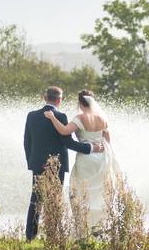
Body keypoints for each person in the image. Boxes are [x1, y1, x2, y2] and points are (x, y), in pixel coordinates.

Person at [24, 86, 104, 240]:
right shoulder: (60, 116)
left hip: (37, 164)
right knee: (54, 200)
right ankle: (52, 236)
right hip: (56, 166)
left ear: (44, 97)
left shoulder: (31, 116)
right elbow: (68, 143)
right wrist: (90, 147)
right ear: (59, 100)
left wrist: (32, 162)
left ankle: (30, 237)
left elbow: (27, 142)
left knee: (35, 201)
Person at [43, 89, 120, 228]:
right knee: (99, 193)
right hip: (102, 158)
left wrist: (52, 117)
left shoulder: (80, 118)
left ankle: (83, 226)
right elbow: (107, 141)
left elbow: (64, 131)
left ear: (80, 102)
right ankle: (99, 226)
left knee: (82, 191)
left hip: (86, 159)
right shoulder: (103, 118)